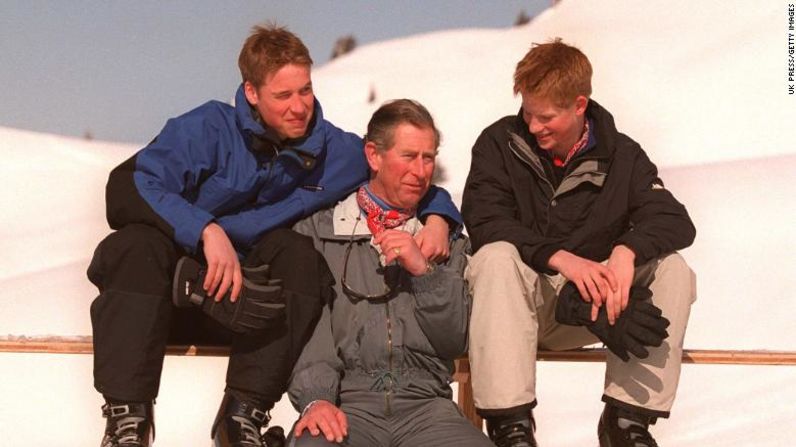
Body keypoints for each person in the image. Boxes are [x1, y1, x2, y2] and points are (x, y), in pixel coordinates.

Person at [87, 25, 461, 447]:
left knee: (298, 254)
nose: (299, 107)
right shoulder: (207, 129)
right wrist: (206, 231)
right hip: (166, 296)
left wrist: (438, 217)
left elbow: (400, 174)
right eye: (283, 96)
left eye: (305, 90)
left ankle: (242, 417)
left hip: (250, 309)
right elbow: (126, 187)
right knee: (133, 246)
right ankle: (128, 422)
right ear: (251, 92)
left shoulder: (333, 151)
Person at [461, 39, 697, 447]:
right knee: (495, 256)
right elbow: (484, 220)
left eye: (546, 117)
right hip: (512, 311)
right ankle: (511, 427)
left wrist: (627, 251)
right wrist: (561, 259)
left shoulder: (624, 155)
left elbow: (675, 220)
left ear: (579, 105)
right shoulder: (498, 143)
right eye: (528, 114)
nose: (534, 127)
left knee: (673, 268)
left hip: (591, 312)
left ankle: (627, 422)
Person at [287, 99, 492, 447]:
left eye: (429, 157)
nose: (421, 170)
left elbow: (452, 340)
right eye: (409, 156)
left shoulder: (449, 242)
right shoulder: (318, 234)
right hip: (346, 405)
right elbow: (309, 332)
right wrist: (316, 398)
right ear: (373, 156)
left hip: (428, 409)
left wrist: (423, 271)